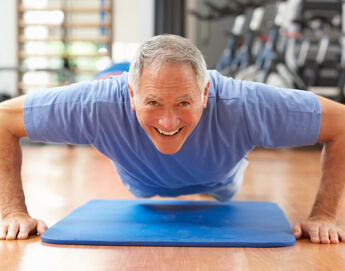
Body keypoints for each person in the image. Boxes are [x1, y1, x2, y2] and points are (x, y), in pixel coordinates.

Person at [0, 34, 344, 244]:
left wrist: (324, 216)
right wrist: (12, 211)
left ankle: (213, 179)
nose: (168, 121)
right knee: (146, 189)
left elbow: (340, 123)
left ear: (205, 91)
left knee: (223, 188)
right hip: (140, 182)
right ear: (130, 92)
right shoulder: (96, 105)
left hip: (219, 178)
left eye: (184, 102)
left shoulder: (246, 104)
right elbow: (4, 119)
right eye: (152, 102)